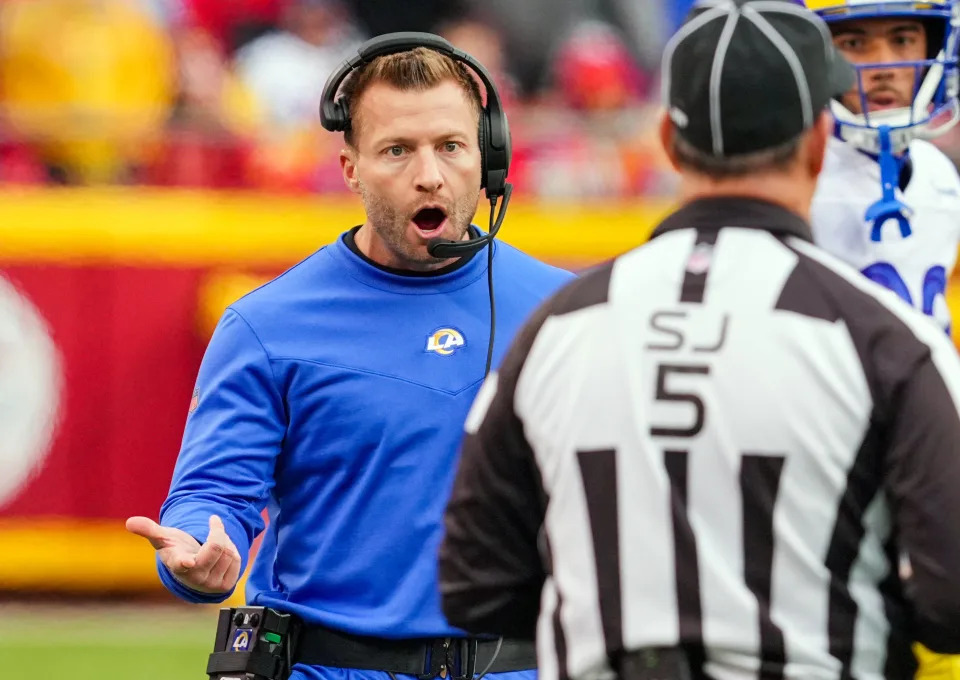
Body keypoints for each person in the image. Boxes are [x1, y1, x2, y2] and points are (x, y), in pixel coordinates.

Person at [438, 2, 960, 679]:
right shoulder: (884, 341)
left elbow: (473, 583)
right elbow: (949, 600)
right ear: (817, 141)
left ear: (670, 141)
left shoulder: (560, 325)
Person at [126, 34, 572, 680]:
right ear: (351, 167)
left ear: (488, 159)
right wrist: (199, 553)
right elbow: (212, 494)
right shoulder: (267, 324)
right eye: (398, 150)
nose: (429, 174)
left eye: (450, 146)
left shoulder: (566, 312)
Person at [803, 0, 960, 334]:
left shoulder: (938, 173)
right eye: (854, 44)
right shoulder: (793, 179)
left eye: (902, 40)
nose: (884, 66)